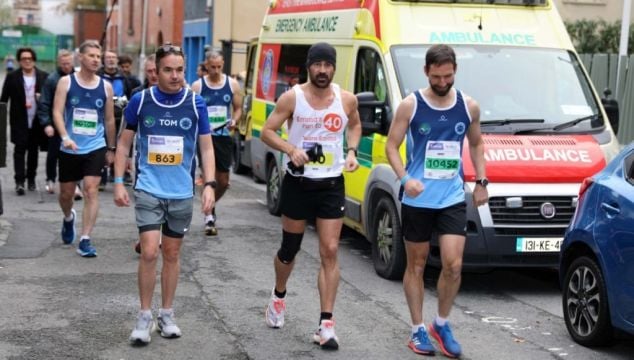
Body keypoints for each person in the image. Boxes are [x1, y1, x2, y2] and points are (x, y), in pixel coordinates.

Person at [384, 44, 488, 358]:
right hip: (418, 199)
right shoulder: (410, 105)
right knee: (415, 265)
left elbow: (477, 143)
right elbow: (391, 146)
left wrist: (481, 181)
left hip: (452, 196)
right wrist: (405, 179)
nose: (442, 82)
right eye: (437, 76)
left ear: (454, 71)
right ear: (426, 71)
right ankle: (417, 330)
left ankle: (440, 324)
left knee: (453, 265)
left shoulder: (468, 106)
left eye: (448, 76)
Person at [261, 42, 361, 350]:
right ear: (309, 67)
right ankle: (279, 295)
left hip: (331, 184)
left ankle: (326, 324)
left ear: (334, 67)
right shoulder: (293, 97)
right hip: (298, 182)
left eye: (327, 65)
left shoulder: (346, 99)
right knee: (290, 248)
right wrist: (291, 149)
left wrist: (353, 151)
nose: (322, 70)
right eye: (317, 65)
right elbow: (267, 131)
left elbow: (355, 126)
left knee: (330, 250)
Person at [114, 43, 216, 345]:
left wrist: (209, 184)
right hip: (148, 188)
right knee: (148, 251)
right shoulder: (140, 101)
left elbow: (206, 147)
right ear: (155, 72)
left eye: (180, 70)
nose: (175, 76)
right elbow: (123, 144)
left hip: (182, 191)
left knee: (171, 253)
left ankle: (166, 313)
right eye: (168, 70)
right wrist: (119, 181)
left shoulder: (196, 103)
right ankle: (144, 316)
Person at [52, 40, 116, 257]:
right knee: (66, 195)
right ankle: (69, 218)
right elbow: (57, 113)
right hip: (70, 147)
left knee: (91, 189)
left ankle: (86, 239)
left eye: (98, 56)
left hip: (95, 146)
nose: (96, 60)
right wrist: (65, 136)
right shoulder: (66, 82)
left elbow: (108, 120)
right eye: (92, 56)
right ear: (81, 57)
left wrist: (111, 148)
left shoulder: (105, 87)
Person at [190, 51, 242, 236]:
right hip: (205, 137)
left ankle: (209, 204)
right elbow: (191, 111)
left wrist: (234, 120)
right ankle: (209, 215)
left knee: (224, 181)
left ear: (223, 64)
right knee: (209, 177)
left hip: (223, 136)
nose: (216, 70)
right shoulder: (198, 86)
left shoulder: (232, 84)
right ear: (206, 65)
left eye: (219, 66)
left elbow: (238, 109)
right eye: (212, 67)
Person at [0, 47, 49, 195]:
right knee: (19, 150)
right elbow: (3, 100)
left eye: (29, 58)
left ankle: (32, 180)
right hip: (19, 120)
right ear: (19, 61)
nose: (27, 61)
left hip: (36, 121)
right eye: (23, 59)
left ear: (34, 60)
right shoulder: (12, 76)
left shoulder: (44, 76)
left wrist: (43, 100)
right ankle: (19, 181)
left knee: (33, 151)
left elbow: (50, 99)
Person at [37, 49, 82, 198]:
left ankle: (76, 184)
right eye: (63, 64)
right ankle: (50, 179)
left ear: (73, 62)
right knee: (53, 154)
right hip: (57, 123)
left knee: (75, 155)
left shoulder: (79, 78)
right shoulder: (52, 79)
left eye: (68, 63)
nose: (66, 66)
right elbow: (44, 103)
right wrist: (47, 124)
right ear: (58, 63)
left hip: (76, 124)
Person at [130, 54, 159, 255]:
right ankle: (148, 235)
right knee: (145, 200)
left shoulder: (182, 95)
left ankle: (153, 237)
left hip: (172, 160)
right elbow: (127, 130)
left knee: (167, 200)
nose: (153, 75)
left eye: (156, 71)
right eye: (149, 71)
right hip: (144, 158)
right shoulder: (137, 95)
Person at [97, 50, 134, 189]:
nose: (111, 60)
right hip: (103, 116)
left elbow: (133, 93)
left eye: (114, 57)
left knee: (121, 146)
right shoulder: (98, 76)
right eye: (108, 58)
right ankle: (101, 177)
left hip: (121, 116)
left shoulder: (126, 78)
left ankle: (118, 173)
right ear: (103, 60)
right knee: (103, 145)